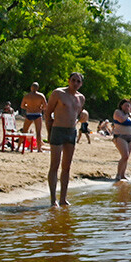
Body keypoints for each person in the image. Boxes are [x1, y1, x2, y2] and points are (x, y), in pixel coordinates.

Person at [44, 73, 86, 207]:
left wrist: (84, 116)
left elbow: (78, 114)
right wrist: (49, 132)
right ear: (68, 80)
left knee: (66, 167)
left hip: (71, 132)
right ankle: (52, 199)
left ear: (81, 84)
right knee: (54, 165)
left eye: (78, 81)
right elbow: (48, 113)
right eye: (73, 80)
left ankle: (63, 198)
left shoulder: (81, 98)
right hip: (58, 129)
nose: (75, 83)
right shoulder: (58, 93)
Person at [110, 99, 131, 182]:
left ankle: (123, 174)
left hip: (130, 137)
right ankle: (118, 174)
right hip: (120, 136)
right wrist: (128, 115)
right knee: (124, 155)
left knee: (127, 157)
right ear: (121, 105)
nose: (127, 107)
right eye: (126, 105)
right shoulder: (118, 112)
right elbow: (121, 120)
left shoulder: (129, 115)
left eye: (129, 106)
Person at [20, 82, 47, 150]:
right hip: (37, 114)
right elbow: (45, 106)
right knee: (38, 132)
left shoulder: (27, 96)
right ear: (37, 88)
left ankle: (18, 147)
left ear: (31, 87)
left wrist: (27, 107)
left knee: (24, 131)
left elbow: (22, 106)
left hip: (29, 113)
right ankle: (39, 148)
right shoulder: (41, 96)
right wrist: (40, 108)